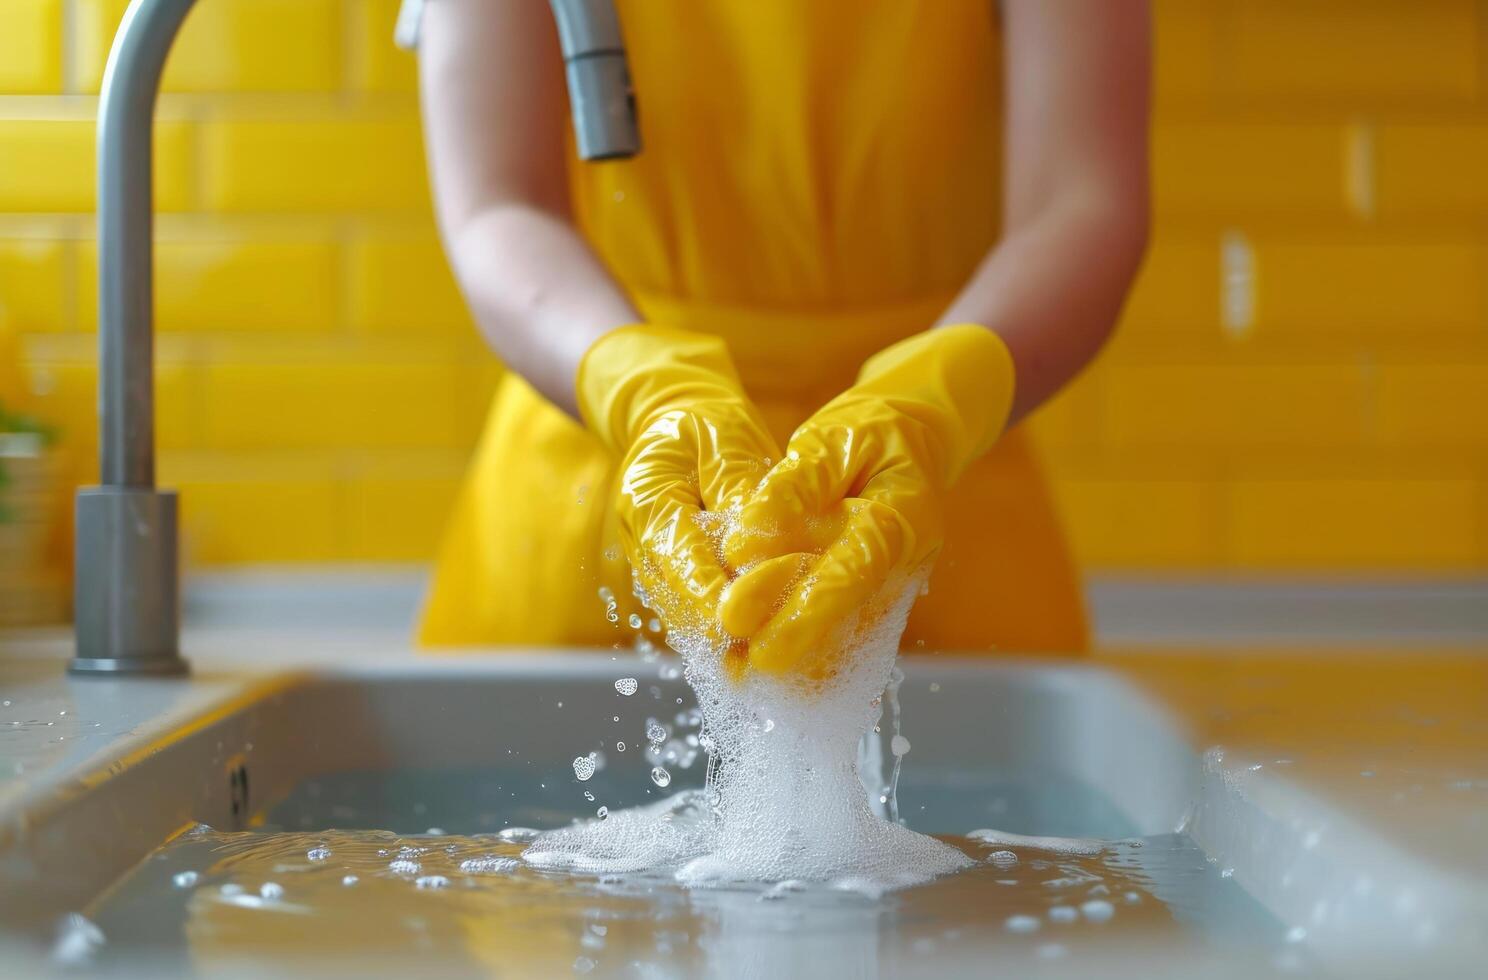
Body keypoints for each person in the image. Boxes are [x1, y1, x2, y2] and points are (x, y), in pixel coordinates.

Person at [415, 0, 1150, 674]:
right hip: (585, 488)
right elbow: (499, 206)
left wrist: (930, 404)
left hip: (940, 489)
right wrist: (639, 389)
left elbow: (1080, 201)